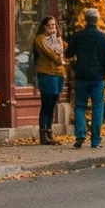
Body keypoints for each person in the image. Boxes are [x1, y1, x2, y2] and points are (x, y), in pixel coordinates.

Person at [66, 8, 105, 149]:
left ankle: (80, 134)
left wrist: (75, 65)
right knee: (98, 108)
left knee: (80, 106)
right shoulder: (103, 37)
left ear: (85, 19)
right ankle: (96, 141)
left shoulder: (78, 36)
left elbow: (68, 54)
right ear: (97, 20)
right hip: (98, 77)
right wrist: (104, 70)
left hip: (81, 75)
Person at [31, 16, 67, 145]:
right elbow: (50, 54)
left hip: (58, 74)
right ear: (44, 26)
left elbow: (66, 49)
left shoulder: (58, 39)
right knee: (46, 104)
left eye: (54, 25)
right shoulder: (40, 39)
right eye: (49, 25)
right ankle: (43, 133)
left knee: (53, 104)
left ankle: (50, 132)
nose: (52, 27)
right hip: (46, 73)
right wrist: (59, 59)